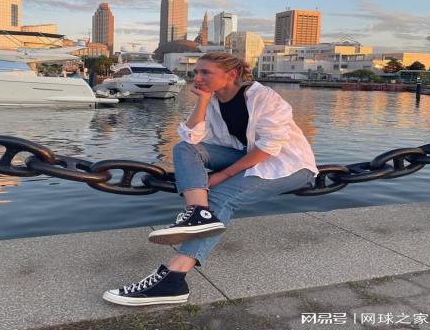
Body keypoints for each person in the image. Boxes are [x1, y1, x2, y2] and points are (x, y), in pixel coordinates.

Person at [103, 52, 318, 307]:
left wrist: (224, 174)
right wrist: (203, 101)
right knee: (185, 149)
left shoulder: (264, 97)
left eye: (205, 72)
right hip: (246, 155)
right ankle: (197, 213)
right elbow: (190, 137)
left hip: (287, 164)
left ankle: (173, 279)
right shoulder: (213, 100)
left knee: (220, 198)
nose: (198, 78)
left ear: (231, 74)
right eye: (196, 72)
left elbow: (269, 147)